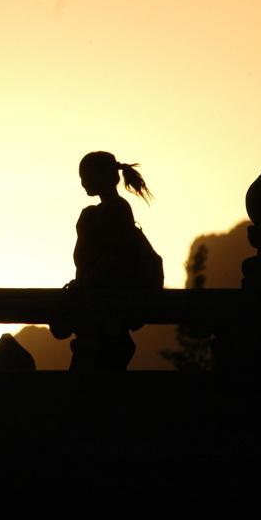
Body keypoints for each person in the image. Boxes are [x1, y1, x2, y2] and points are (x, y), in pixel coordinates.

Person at [65, 151, 162, 370]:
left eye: (86, 175)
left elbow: (113, 255)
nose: (83, 182)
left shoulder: (117, 208)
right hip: (98, 300)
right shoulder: (97, 212)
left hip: (108, 302)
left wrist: (84, 283)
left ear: (103, 176)